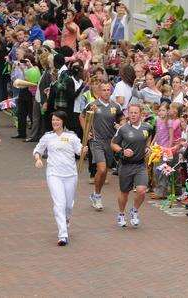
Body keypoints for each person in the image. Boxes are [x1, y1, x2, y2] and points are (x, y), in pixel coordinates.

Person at [33, 111, 87, 246]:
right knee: (59, 204)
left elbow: (79, 151)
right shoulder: (48, 137)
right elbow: (37, 150)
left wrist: (84, 150)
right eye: (53, 120)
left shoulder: (72, 136)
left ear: (63, 121)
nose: (55, 122)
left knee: (68, 205)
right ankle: (62, 235)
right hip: (54, 174)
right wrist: (38, 159)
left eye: (57, 120)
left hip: (70, 174)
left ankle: (67, 219)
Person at [80, 81, 124, 211]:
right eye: (103, 90)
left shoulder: (115, 106)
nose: (106, 92)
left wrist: (120, 125)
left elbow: (122, 118)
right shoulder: (93, 104)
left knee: (105, 172)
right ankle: (98, 196)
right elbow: (82, 117)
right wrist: (86, 131)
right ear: (99, 92)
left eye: (108, 90)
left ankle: (95, 194)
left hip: (110, 142)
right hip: (96, 141)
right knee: (102, 169)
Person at [111, 104, 153, 227]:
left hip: (140, 165)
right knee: (124, 192)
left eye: (136, 113)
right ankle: (121, 214)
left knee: (141, 190)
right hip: (126, 165)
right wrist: (122, 151)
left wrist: (147, 147)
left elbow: (149, 137)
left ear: (141, 114)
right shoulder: (123, 129)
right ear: (128, 114)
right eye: (131, 113)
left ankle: (134, 211)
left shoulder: (147, 127)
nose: (133, 115)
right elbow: (113, 144)